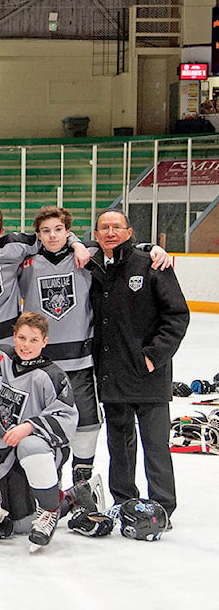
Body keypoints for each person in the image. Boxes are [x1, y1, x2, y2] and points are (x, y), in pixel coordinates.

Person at [18, 205, 172, 484]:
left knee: (87, 422)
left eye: (59, 230)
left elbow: (123, 249)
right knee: (37, 423)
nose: (52, 236)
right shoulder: (25, 260)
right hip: (41, 363)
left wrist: (152, 249)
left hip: (80, 361)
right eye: (45, 231)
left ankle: (83, 481)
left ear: (69, 231)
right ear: (37, 234)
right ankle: (38, 481)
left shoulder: (90, 259)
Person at [87, 209, 189, 520]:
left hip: (148, 374)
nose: (110, 232)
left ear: (130, 233)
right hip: (112, 373)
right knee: (120, 445)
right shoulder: (93, 268)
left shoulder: (151, 264)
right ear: (96, 234)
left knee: (155, 445)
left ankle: (163, 506)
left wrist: (153, 356)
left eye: (117, 227)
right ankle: (124, 502)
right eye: (104, 227)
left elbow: (177, 316)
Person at [0, 312, 77, 551]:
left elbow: (67, 419)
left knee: (28, 443)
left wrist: (29, 427)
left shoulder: (53, 375)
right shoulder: (0, 358)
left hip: (40, 453)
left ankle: (51, 510)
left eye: (34, 340)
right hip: (5, 454)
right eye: (21, 338)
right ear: (13, 337)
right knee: (21, 525)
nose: (26, 345)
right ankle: (74, 497)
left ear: (45, 341)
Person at [0, 204, 87, 344]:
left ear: (1, 232)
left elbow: (52, 236)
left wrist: (77, 244)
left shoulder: (15, 246)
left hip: (8, 335)